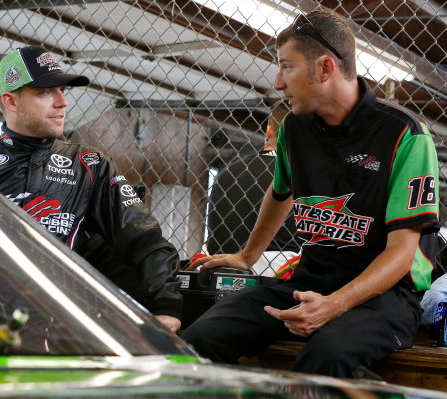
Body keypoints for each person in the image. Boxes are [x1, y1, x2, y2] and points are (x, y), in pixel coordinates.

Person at [183, 9, 439, 377]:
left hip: (386, 296)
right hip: (309, 282)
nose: (277, 82)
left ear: (323, 69)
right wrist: (247, 255)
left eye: (286, 67)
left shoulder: (406, 135)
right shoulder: (293, 129)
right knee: (198, 339)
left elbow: (402, 254)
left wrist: (333, 306)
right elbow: (280, 191)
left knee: (325, 357)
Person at [0, 46, 182, 332]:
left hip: (62, 326)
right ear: (11, 101)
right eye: (46, 92)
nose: (62, 102)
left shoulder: (90, 165)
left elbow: (144, 239)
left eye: (63, 90)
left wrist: (166, 307)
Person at [206, 100, 299, 275]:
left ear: (268, 132)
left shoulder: (228, 171)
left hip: (220, 270)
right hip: (278, 276)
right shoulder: (302, 176)